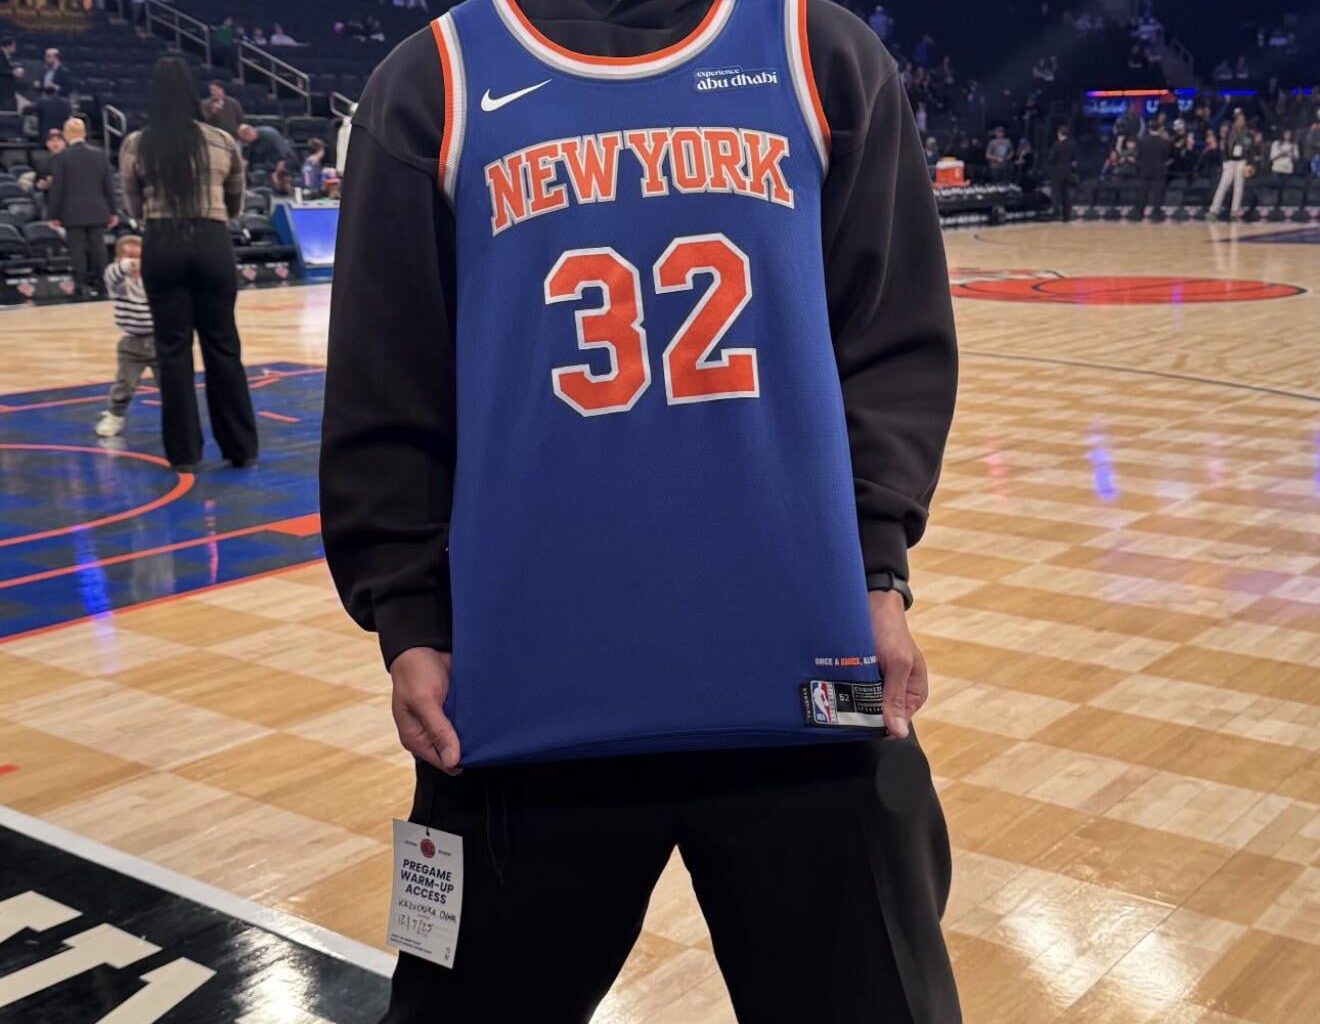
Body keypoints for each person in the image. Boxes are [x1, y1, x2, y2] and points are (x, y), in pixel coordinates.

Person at [321, 2, 961, 1022]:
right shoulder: (430, 80)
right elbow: (385, 387)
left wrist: (879, 570)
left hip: (812, 686)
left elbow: (889, 342)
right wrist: (407, 618)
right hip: (513, 695)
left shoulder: (820, 54)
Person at [119, 56, 258, 472]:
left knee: (172, 350)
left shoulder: (136, 144)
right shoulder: (221, 141)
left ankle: (183, 453)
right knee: (223, 344)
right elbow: (236, 202)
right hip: (212, 240)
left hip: (161, 242)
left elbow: (132, 203)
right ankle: (240, 446)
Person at [95, 235, 158, 439]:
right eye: (129, 258)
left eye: (140, 257)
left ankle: (178, 419)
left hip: (161, 341)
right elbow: (114, 272)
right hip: (132, 344)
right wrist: (129, 264)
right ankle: (115, 415)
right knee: (125, 385)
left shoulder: (154, 278)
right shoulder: (118, 283)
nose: (135, 263)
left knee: (173, 386)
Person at [47, 117, 117, 299]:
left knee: (77, 251)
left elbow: (57, 188)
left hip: (72, 212)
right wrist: (113, 210)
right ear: (84, 133)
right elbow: (108, 185)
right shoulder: (99, 154)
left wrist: (52, 214)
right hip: (97, 209)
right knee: (99, 249)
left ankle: (81, 287)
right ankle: (103, 286)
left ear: (66, 135)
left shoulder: (61, 157)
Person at [236, 122, 298, 192]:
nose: (245, 143)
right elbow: (246, 159)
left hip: (285, 161)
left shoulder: (270, 134)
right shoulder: (251, 142)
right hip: (269, 163)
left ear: (249, 134)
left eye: (244, 140)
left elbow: (283, 156)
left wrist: (276, 173)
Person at [1210, 110, 1250, 218]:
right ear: (1236, 121)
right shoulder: (1229, 131)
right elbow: (1225, 147)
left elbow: (1247, 146)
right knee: (1223, 184)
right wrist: (1226, 160)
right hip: (1229, 161)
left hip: (1241, 161)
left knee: (1239, 186)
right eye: (1241, 120)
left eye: (1243, 120)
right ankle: (1214, 209)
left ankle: (1235, 211)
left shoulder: (1246, 132)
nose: (1242, 122)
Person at [1136, 124, 1171, 217]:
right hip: (1159, 171)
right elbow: (1166, 156)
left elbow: (1138, 156)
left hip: (1145, 170)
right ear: (1159, 130)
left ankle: (1139, 213)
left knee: (1143, 193)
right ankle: (1156, 214)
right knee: (1158, 194)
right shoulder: (1164, 142)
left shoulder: (1142, 142)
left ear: (1149, 129)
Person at [1047, 124, 1078, 220]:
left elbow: (1051, 158)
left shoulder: (1057, 145)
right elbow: (1075, 158)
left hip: (1057, 172)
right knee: (1066, 194)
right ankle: (1066, 216)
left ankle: (1055, 214)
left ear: (1059, 134)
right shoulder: (1073, 144)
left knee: (1056, 193)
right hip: (1068, 171)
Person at [0, 37, 18, 112]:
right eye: (14, 46)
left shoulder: (6, 55)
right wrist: (13, 72)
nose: (15, 49)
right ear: (8, 46)